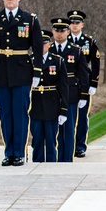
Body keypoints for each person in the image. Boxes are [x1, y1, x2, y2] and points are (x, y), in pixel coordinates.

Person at [0, 0, 43, 167]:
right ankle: (8, 152)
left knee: (20, 113)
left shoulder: (30, 20)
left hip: (21, 72)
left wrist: (37, 72)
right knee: (5, 115)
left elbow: (38, 47)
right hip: (0, 72)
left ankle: (19, 152)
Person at [50, 19, 90, 163]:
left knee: (68, 129)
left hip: (71, 94)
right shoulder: (48, 50)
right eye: (56, 30)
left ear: (68, 32)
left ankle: (66, 159)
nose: (59, 34)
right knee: (52, 129)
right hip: (52, 95)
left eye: (62, 31)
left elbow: (84, 74)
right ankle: (51, 158)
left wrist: (84, 95)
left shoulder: (76, 51)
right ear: (53, 32)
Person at [29, 31, 69, 163]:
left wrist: (63, 110)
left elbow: (64, 87)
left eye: (44, 43)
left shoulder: (57, 61)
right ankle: (37, 163)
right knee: (37, 140)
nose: (41, 46)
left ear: (50, 44)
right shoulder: (30, 61)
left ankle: (51, 165)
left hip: (51, 105)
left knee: (51, 140)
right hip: (35, 105)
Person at [67, 10, 101, 159]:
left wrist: (93, 83)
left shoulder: (89, 41)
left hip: (83, 82)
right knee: (66, 114)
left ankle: (80, 146)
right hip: (67, 81)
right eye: (72, 23)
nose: (74, 25)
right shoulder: (64, 40)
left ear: (82, 24)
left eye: (77, 23)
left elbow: (96, 62)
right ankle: (66, 144)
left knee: (82, 116)